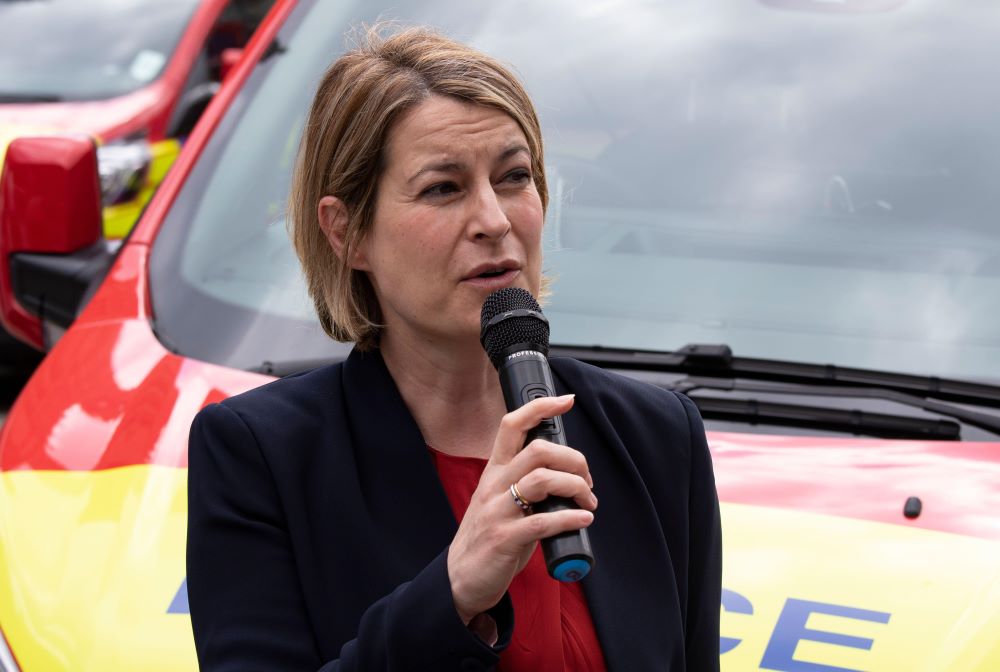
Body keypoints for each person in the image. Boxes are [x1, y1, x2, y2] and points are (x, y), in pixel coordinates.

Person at [186, 25, 722, 672]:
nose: (494, 220)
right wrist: (452, 592)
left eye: (515, 177)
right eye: (444, 187)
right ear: (347, 232)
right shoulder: (260, 457)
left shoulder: (656, 437)